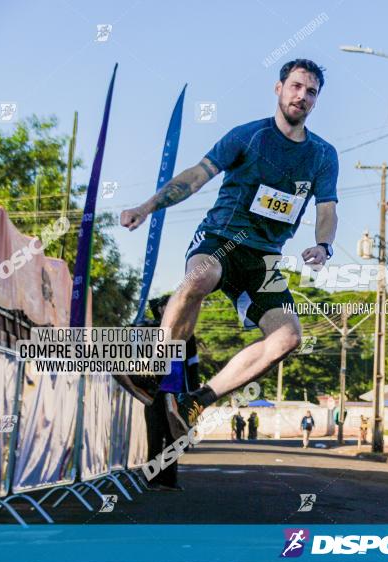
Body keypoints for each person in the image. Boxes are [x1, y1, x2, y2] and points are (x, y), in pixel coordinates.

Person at [119, 59, 339, 440]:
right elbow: (196, 176)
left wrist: (324, 245)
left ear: (316, 102)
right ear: (279, 88)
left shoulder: (322, 154)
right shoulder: (248, 136)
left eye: (311, 92)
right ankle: (150, 366)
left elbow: (328, 209)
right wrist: (147, 206)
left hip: (263, 259)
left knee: (288, 337)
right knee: (201, 276)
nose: (301, 96)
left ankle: (197, 400)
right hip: (221, 238)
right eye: (296, 87)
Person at [141, 294, 200, 491]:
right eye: (168, 306)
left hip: (177, 392)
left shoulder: (186, 332)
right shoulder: (149, 329)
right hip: (155, 392)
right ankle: (153, 480)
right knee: (155, 436)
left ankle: (170, 480)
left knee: (175, 437)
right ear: (160, 309)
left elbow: (193, 365)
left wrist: (194, 393)